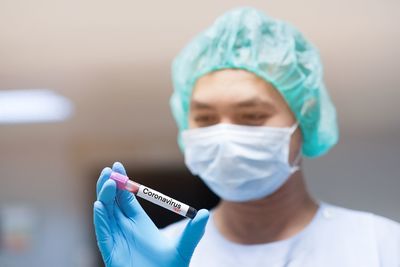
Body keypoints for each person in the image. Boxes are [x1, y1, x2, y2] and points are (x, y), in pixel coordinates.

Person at [93, 7, 400, 267]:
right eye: (205, 118)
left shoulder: (380, 246)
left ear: (303, 118)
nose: (225, 136)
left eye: (252, 116)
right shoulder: (164, 251)